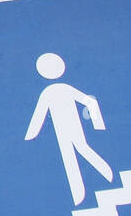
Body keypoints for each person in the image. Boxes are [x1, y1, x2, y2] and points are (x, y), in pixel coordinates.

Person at [25, 52, 113, 205]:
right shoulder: (51, 92)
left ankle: (107, 174)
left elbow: (89, 102)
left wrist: (99, 124)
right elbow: (40, 115)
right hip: (61, 131)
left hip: (73, 127)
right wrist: (31, 134)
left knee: (81, 149)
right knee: (69, 156)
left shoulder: (60, 90)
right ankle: (79, 194)